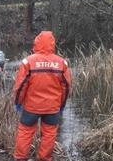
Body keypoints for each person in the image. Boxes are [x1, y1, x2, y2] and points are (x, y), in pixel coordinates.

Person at [13, 31, 71, 161]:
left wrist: (17, 102)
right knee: (49, 135)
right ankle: (44, 158)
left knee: (25, 133)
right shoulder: (61, 63)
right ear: (53, 44)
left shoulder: (28, 62)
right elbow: (66, 87)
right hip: (52, 108)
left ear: (36, 43)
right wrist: (62, 105)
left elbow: (21, 86)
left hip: (32, 107)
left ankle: (21, 158)